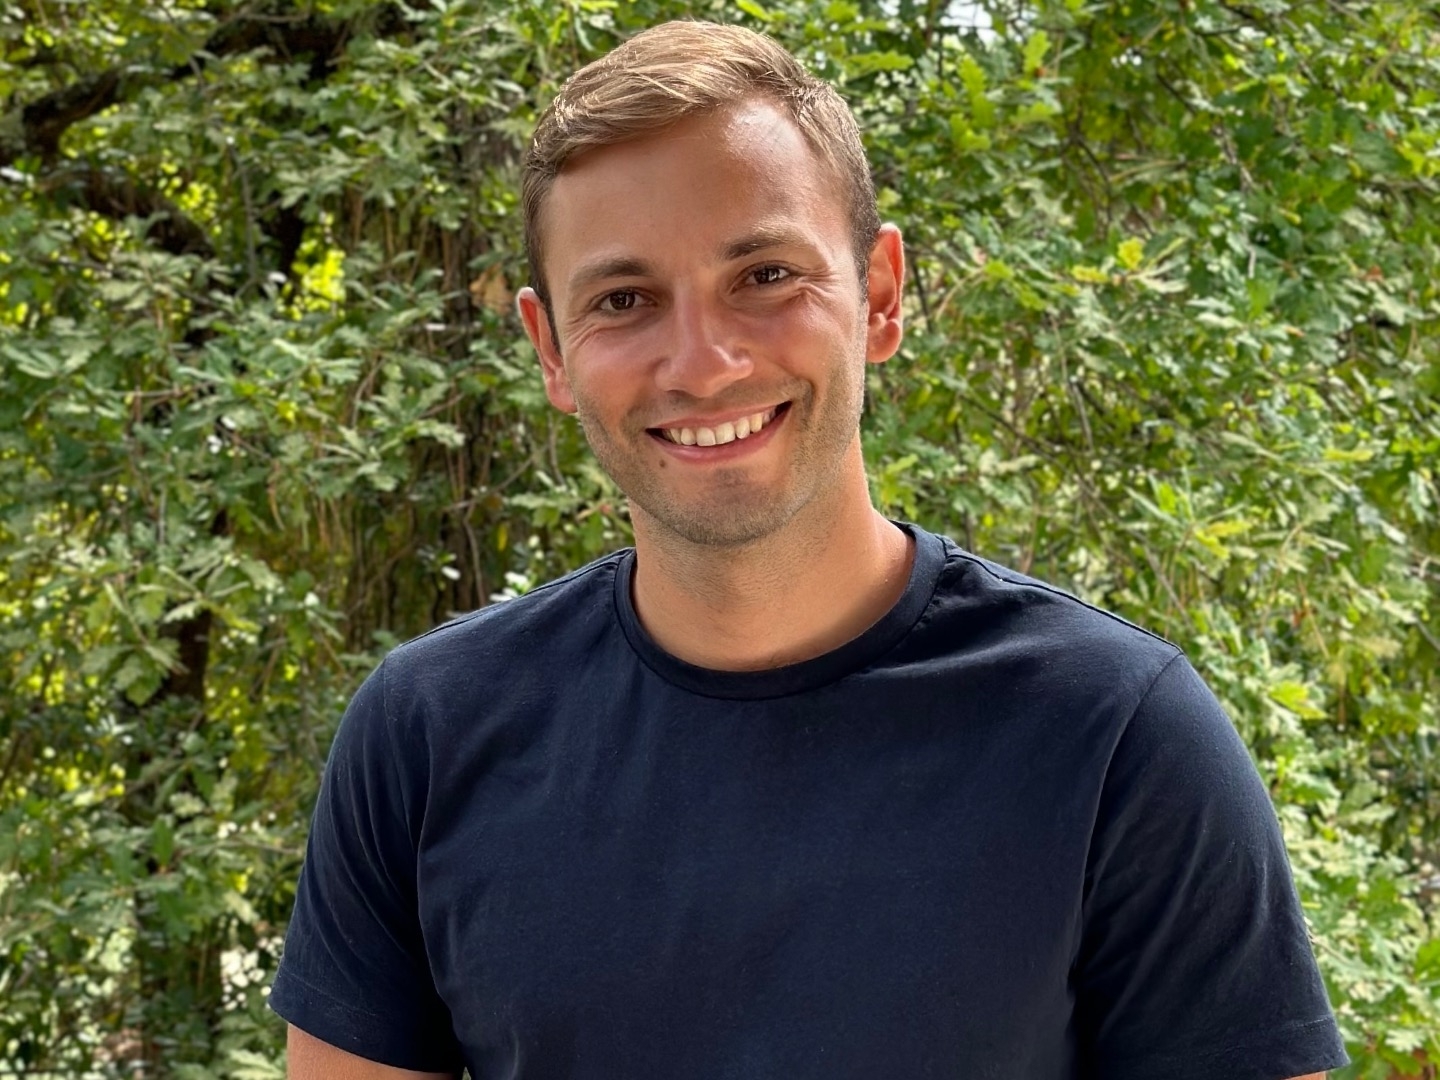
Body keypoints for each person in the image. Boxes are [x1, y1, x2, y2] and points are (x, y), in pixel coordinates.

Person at [270, 20, 1349, 1080]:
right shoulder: (428, 733)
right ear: (550, 349)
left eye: (766, 275)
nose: (704, 363)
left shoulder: (1114, 736)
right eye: (624, 300)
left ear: (878, 295)